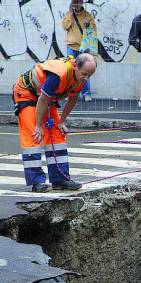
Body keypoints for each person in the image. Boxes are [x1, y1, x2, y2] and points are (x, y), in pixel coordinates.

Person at [12, 54, 97, 192]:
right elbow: (43, 100)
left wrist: (61, 121)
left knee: (57, 133)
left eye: (90, 76)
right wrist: (39, 126)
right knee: (34, 135)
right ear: (75, 65)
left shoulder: (80, 77)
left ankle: (60, 179)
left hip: (44, 97)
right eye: (85, 74)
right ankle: (36, 182)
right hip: (26, 93)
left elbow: (73, 99)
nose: (86, 79)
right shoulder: (58, 74)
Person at [62, 0, 97, 102]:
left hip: (84, 47)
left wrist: (88, 25)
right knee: (70, 70)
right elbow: (65, 26)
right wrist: (71, 16)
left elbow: (94, 30)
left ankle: (86, 93)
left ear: (82, 3)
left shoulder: (88, 15)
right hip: (72, 46)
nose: (77, 3)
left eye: (79, 1)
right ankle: (68, 93)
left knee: (86, 71)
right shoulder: (68, 14)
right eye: (75, 2)